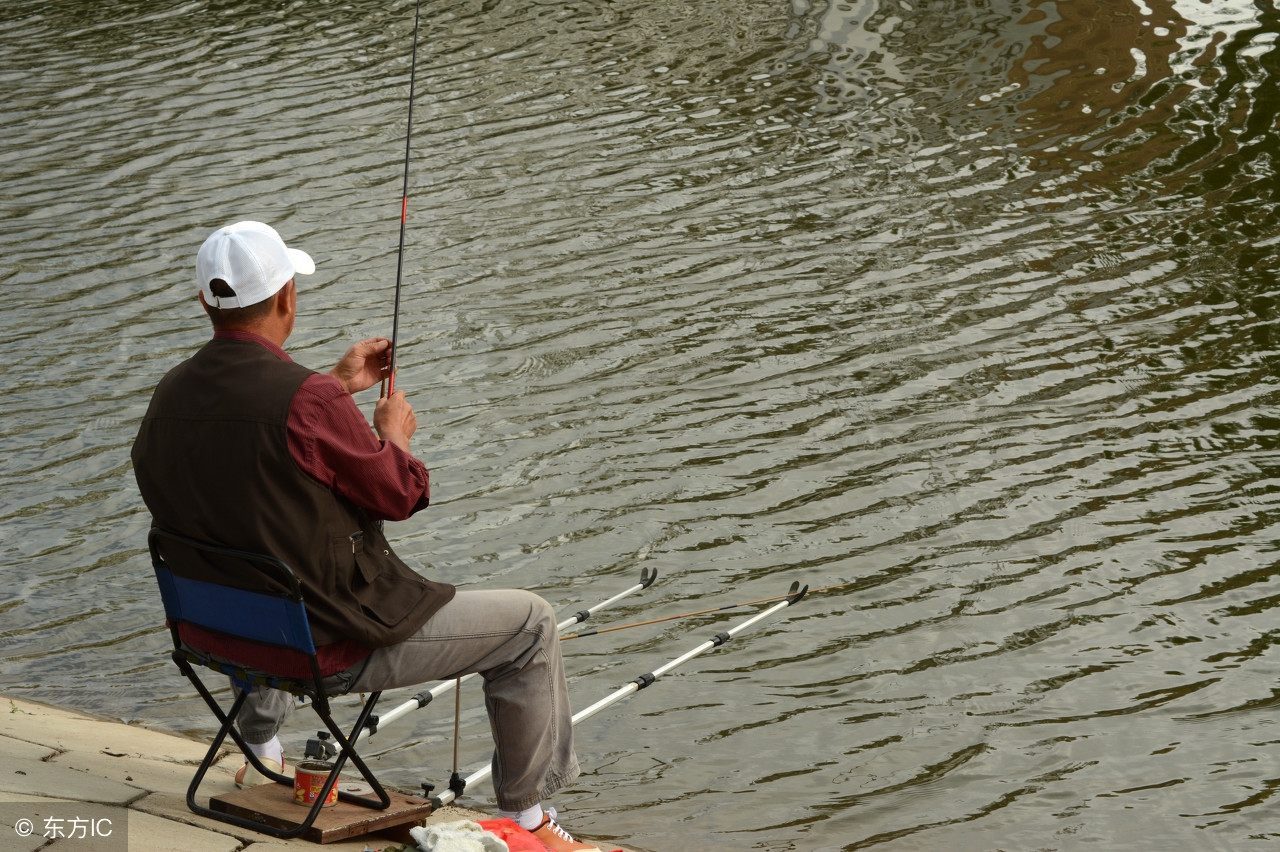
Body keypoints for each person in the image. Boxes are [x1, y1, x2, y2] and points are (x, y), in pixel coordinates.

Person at [132, 221, 598, 852]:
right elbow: (401, 493)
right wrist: (391, 433)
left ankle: (261, 750)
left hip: (219, 636)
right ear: (287, 297)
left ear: (205, 303)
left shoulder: (169, 394)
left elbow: (253, 463)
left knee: (253, 559)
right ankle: (528, 823)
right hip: (319, 650)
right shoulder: (308, 402)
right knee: (531, 625)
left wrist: (333, 391)